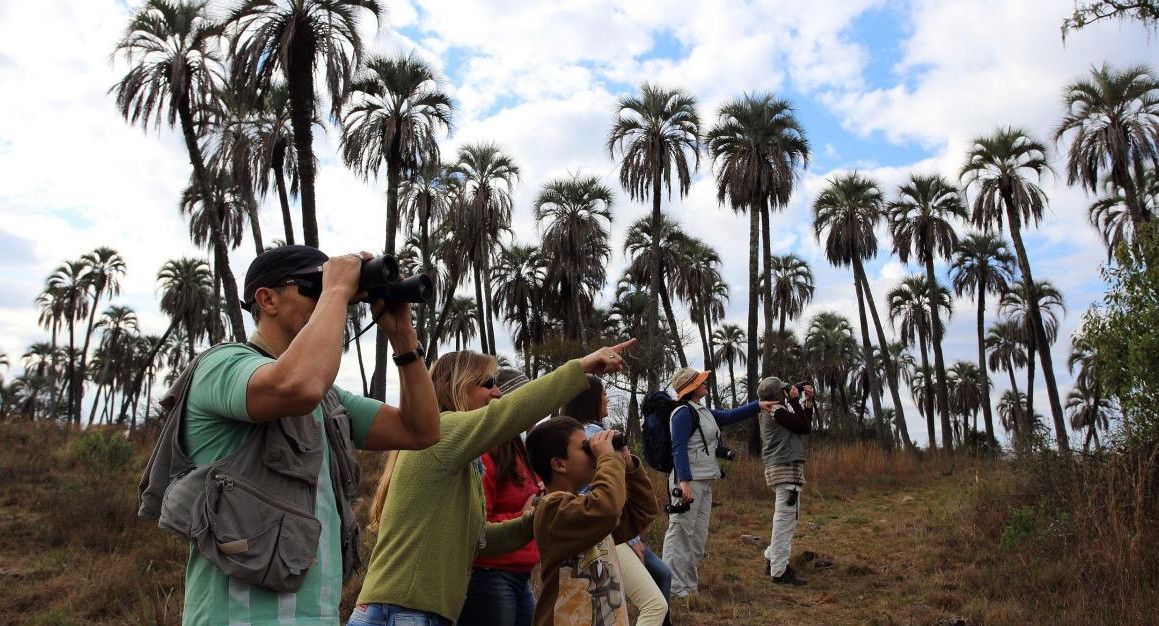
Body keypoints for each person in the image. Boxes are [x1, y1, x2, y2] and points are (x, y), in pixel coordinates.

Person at [138, 246, 442, 626]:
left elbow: (422, 429)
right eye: (314, 287)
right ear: (267, 300)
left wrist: (403, 337)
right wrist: (335, 291)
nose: (332, 298)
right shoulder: (222, 365)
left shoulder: (328, 399)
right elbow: (297, 386)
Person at [352, 340, 635, 626]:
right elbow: (509, 412)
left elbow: (478, 542)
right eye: (487, 383)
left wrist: (534, 519)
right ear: (456, 386)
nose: (498, 393)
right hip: (403, 611)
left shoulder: (462, 462)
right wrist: (581, 367)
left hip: (413, 611)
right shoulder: (443, 431)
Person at [524, 417, 659, 626]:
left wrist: (628, 464)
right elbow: (606, 509)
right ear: (559, 464)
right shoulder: (551, 510)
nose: (593, 454)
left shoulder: (586, 509)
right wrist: (607, 458)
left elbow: (642, 511)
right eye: (585, 448)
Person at [562, 375, 670, 626]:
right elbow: (597, 490)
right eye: (603, 394)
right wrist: (631, 539)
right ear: (590, 400)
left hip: (606, 531)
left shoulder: (579, 431)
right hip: (608, 533)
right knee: (654, 604)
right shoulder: (594, 435)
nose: (607, 398)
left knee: (659, 578)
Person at [661, 367, 775, 598]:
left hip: (704, 481)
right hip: (688, 483)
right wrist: (684, 483)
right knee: (681, 533)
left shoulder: (702, 411)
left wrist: (757, 405)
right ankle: (672, 589)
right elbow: (678, 448)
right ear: (691, 387)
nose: (706, 383)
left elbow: (730, 415)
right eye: (701, 381)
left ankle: (689, 587)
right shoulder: (682, 413)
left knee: (697, 537)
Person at [458, 369, 544, 626]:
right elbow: (475, 525)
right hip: (490, 576)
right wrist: (525, 516)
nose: (536, 410)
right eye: (529, 401)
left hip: (518, 575)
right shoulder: (485, 454)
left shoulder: (517, 448)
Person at [757, 376, 814, 586]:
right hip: (785, 469)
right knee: (785, 521)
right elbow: (804, 428)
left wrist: (806, 403)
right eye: (782, 391)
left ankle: (773, 559)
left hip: (783, 469)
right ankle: (779, 571)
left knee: (785, 518)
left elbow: (802, 425)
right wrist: (795, 401)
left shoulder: (774, 411)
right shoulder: (775, 411)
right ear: (776, 395)